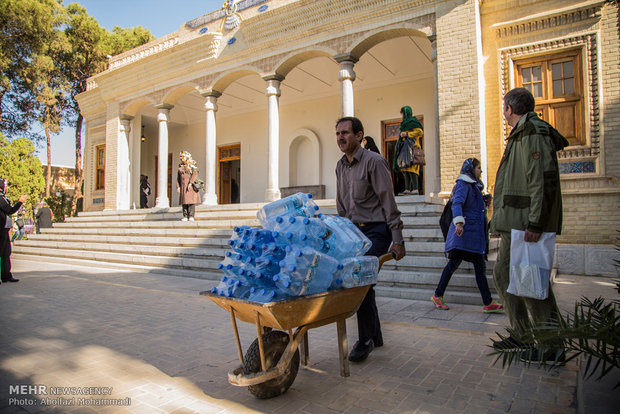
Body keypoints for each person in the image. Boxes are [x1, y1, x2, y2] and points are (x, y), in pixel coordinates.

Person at [490, 87, 569, 362]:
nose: (503, 111)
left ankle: (552, 346)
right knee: (503, 276)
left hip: (526, 225)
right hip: (515, 223)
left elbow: (541, 181)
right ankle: (522, 335)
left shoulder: (533, 133)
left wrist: (536, 222)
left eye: (503, 107)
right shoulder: (521, 134)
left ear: (509, 109)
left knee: (533, 284)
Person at [335, 116, 406, 362]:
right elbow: (341, 206)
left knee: (360, 281)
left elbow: (388, 201)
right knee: (364, 282)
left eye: (345, 132)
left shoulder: (374, 162)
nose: (341, 138)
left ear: (359, 135)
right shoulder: (340, 166)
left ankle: (364, 340)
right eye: (338, 134)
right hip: (354, 232)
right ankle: (375, 335)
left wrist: (397, 239)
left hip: (377, 230)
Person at [431, 158, 503, 313]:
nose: (481, 171)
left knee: (477, 267)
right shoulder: (463, 184)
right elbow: (457, 204)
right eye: (478, 168)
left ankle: (487, 302)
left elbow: (472, 205)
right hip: (464, 234)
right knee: (454, 265)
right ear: (471, 169)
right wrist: (458, 222)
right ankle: (438, 295)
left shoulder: (474, 186)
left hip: (473, 236)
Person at [0, 179, 27, 283]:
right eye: (5, 186)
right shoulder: (0, 197)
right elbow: (9, 210)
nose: (6, 188)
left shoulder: (3, 197)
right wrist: (20, 202)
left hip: (4, 228)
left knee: (6, 252)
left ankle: (6, 275)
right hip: (0, 228)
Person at [393, 106, 423, 195]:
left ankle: (415, 188)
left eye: (403, 113)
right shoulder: (404, 124)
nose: (402, 116)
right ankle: (407, 189)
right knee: (404, 168)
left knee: (412, 169)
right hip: (404, 149)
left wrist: (407, 134)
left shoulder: (413, 122)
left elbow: (420, 132)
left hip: (413, 148)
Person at [176, 151, 201, 221]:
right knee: (184, 201)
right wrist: (178, 186)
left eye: (182, 156)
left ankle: (191, 216)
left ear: (187, 157)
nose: (181, 158)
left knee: (190, 201)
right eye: (180, 156)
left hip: (190, 185)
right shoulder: (180, 166)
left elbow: (195, 173)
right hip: (183, 185)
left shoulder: (192, 164)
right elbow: (178, 177)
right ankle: (185, 215)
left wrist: (190, 183)